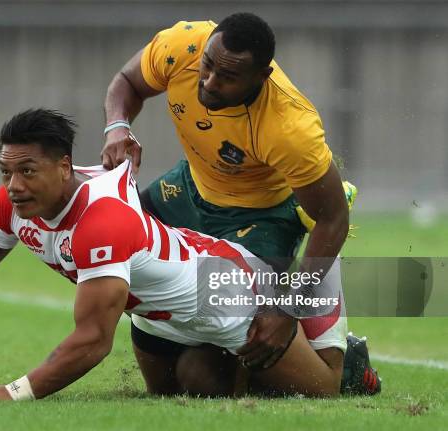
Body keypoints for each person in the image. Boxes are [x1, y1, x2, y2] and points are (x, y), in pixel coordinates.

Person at [0, 108, 353, 400]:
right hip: (156, 314)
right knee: (191, 386)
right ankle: (231, 361)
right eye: (5, 172)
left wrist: (11, 394)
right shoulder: (16, 202)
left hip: (224, 294)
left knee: (325, 390)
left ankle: (328, 314)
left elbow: (93, 340)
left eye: (27, 171)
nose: (13, 186)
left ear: (62, 166)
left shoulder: (102, 223)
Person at [101, 12, 380, 394]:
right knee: (164, 385)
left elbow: (333, 218)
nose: (209, 82)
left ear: (260, 79)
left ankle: (344, 363)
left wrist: (285, 310)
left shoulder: (290, 127)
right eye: (208, 66)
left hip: (261, 216)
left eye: (227, 77)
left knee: (213, 378)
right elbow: (127, 82)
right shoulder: (183, 45)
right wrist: (117, 125)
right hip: (191, 187)